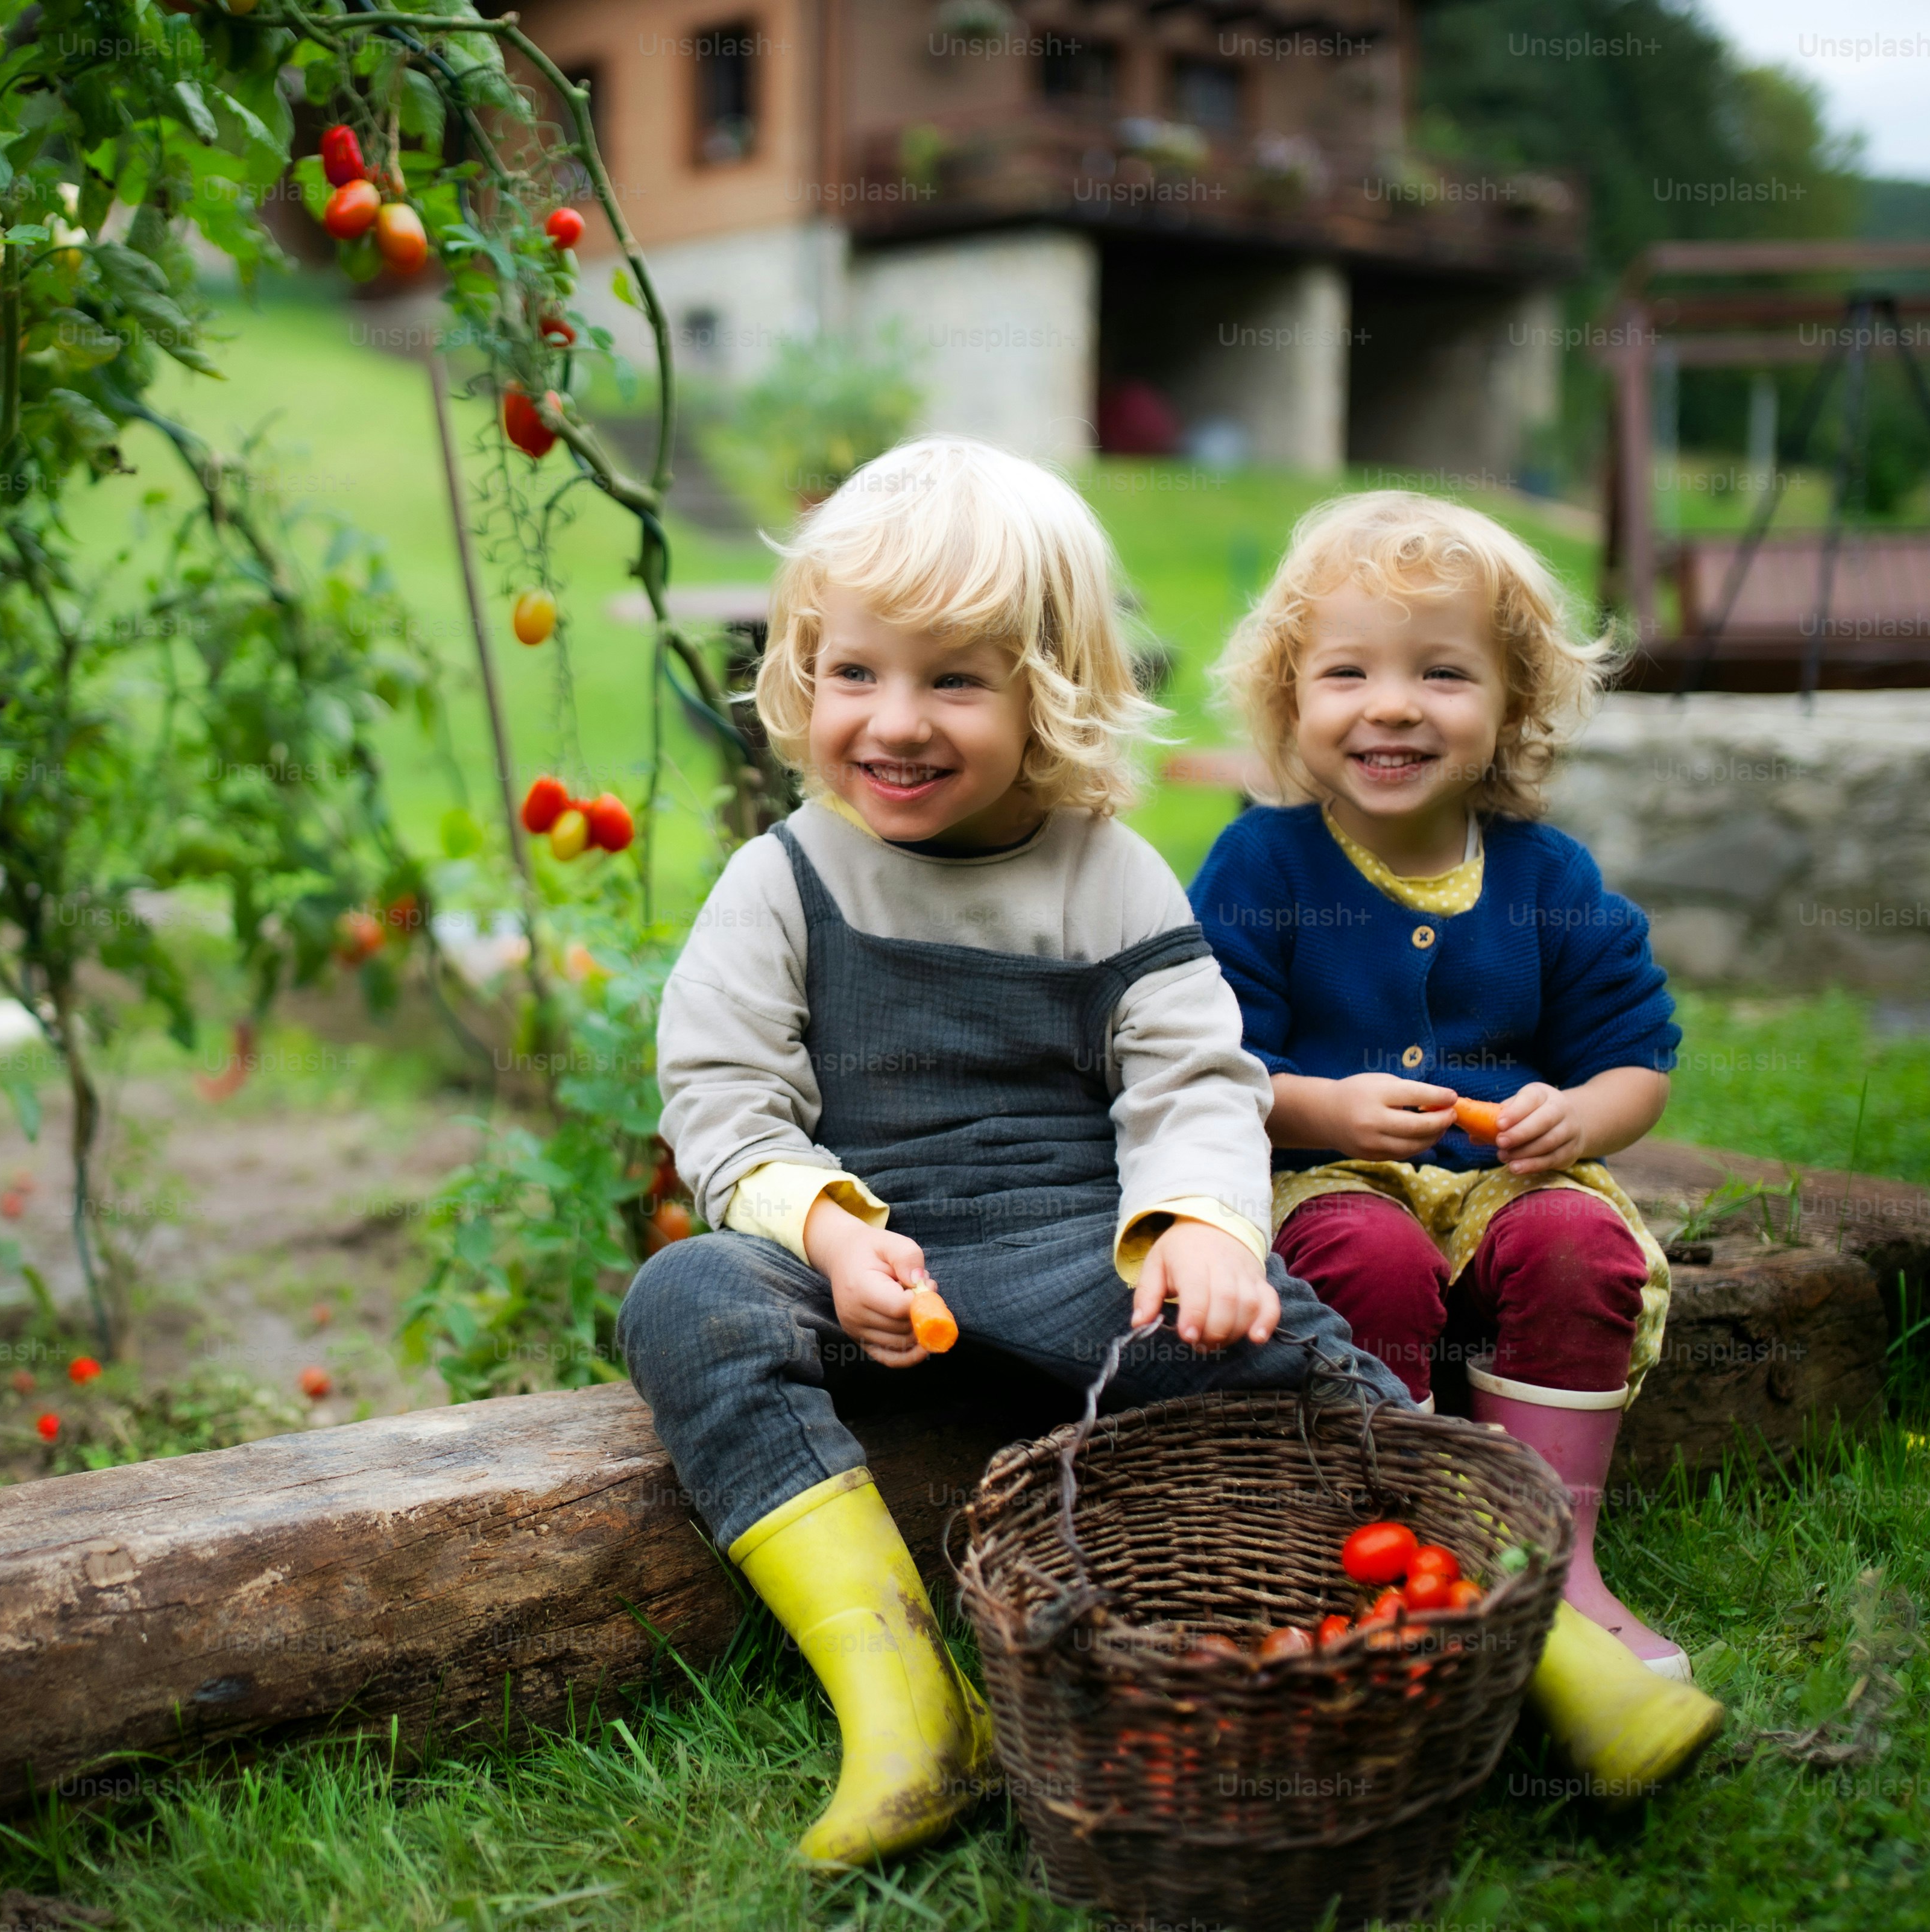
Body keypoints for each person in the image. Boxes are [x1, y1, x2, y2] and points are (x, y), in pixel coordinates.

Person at [619, 435, 1413, 1869]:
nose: (896, 723)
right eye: (856, 674)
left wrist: (1202, 1231)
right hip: (869, 1270)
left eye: (955, 680)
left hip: (1068, 1250)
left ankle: (1501, 1610)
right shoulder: (784, 879)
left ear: (1047, 691)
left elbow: (1194, 1079)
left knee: (1255, 1326)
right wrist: (829, 1234)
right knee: (686, 1298)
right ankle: (908, 1704)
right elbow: (726, 1107)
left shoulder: (1105, 874)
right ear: (805, 674)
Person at [1190, 490, 1704, 1687]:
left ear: (1513, 704)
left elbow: (1637, 1055)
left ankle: (1554, 1557)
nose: (1394, 706)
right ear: (1290, 699)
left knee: (1580, 1246)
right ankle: (1394, 1537)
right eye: (1348, 673)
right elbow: (1210, 1062)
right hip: (1326, 1177)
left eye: (1444, 674)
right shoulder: (1264, 865)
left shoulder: (1546, 876)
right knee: (1363, 1256)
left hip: (1506, 1189)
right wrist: (1320, 1108)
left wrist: (1581, 1116)